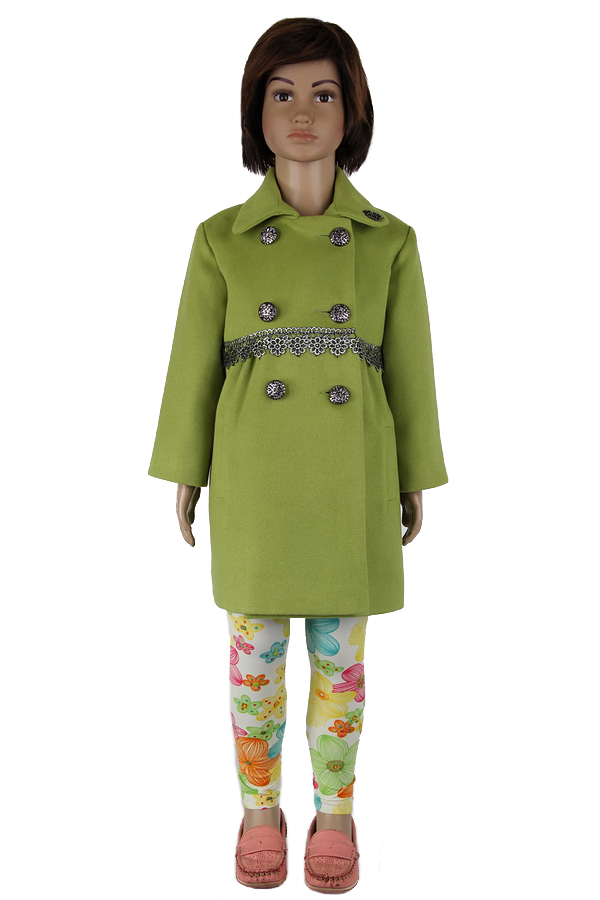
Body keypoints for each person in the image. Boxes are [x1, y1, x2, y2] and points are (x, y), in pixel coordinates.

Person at [148, 17, 448, 892]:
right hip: (255, 474)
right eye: (283, 94)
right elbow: (192, 363)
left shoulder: (390, 240)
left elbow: (412, 369)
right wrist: (186, 469)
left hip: (352, 477)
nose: (304, 114)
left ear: (353, 111)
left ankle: (337, 813)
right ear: (257, 110)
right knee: (255, 667)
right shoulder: (220, 239)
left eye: (324, 94)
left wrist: (414, 475)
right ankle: (258, 810)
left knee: (341, 669)